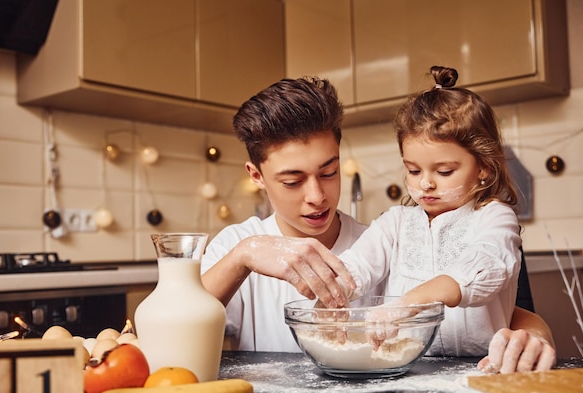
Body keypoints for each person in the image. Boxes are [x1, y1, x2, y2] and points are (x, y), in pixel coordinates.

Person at [201, 75, 555, 372]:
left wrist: (536, 337)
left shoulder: (379, 238)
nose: (316, 196)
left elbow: (500, 305)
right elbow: (159, 337)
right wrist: (241, 256)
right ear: (257, 176)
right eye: (292, 181)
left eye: (329, 172)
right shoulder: (236, 245)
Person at [338, 66, 552, 363]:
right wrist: (332, 286)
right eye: (413, 170)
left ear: (483, 168)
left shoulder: (494, 218)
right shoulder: (395, 223)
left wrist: (408, 304)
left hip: (482, 366)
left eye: (444, 171)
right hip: (407, 366)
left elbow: (483, 265)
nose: (425, 182)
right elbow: (356, 267)